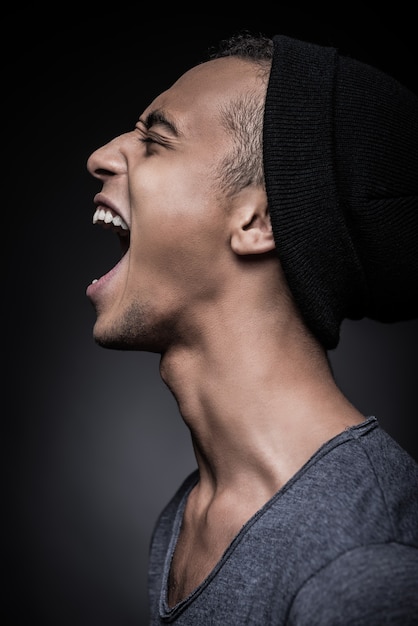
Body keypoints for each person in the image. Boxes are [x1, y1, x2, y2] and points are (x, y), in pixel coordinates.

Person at [85, 31, 418, 625]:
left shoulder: (360, 572)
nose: (103, 156)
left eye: (157, 140)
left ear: (258, 220)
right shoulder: (193, 511)